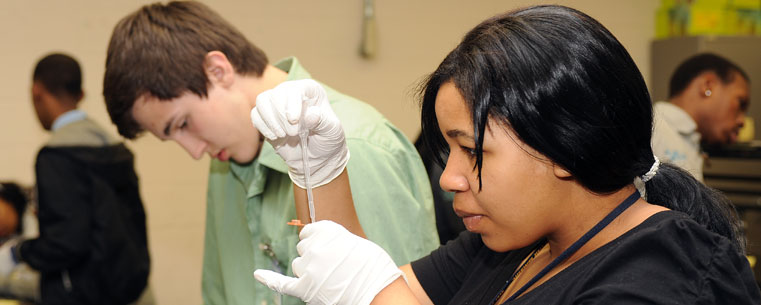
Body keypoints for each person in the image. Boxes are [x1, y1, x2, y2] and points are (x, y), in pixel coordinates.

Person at [252, 5, 761, 304]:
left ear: (565, 144)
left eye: (470, 149)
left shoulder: (662, 278)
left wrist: (374, 291)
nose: (449, 178)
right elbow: (370, 290)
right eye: (446, 150)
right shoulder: (510, 244)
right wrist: (317, 173)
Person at [102, 2, 438, 304]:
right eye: (171, 137)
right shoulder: (226, 160)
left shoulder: (359, 147)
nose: (193, 151)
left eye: (184, 123)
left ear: (217, 70)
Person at [0, 53, 152, 305]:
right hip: (128, 290)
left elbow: (65, 242)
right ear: (81, 94)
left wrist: (18, 253)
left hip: (81, 294)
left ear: (36, 92)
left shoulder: (56, 156)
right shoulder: (116, 150)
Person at [652, 53, 750, 181]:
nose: (742, 121)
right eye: (740, 103)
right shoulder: (652, 129)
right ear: (708, 86)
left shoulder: (688, 141)